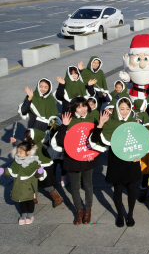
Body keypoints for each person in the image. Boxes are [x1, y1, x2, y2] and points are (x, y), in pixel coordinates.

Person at [90, 97, 141, 227]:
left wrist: (139, 154)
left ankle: (130, 214)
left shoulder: (134, 122)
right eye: (122, 108)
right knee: (117, 188)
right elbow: (95, 139)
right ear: (117, 109)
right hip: (116, 159)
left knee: (131, 187)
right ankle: (119, 214)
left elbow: (142, 141)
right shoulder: (110, 122)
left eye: (127, 109)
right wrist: (101, 124)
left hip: (131, 159)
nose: (125, 111)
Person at [55, 98, 101, 224]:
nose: (82, 109)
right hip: (72, 157)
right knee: (75, 186)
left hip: (87, 157)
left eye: (84, 106)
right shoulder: (70, 120)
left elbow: (97, 140)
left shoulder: (92, 118)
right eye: (79, 107)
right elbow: (60, 141)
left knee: (88, 184)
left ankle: (88, 210)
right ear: (74, 108)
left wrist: (93, 153)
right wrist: (64, 126)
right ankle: (78, 210)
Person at [1, 140, 45, 225]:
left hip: (29, 187)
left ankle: (30, 215)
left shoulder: (33, 163)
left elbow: (37, 175)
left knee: (30, 201)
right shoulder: (16, 162)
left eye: (21, 152)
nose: (18, 154)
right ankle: (23, 215)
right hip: (19, 186)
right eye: (17, 152)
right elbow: (11, 172)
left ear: (28, 152)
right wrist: (3, 171)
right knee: (21, 201)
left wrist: (39, 172)